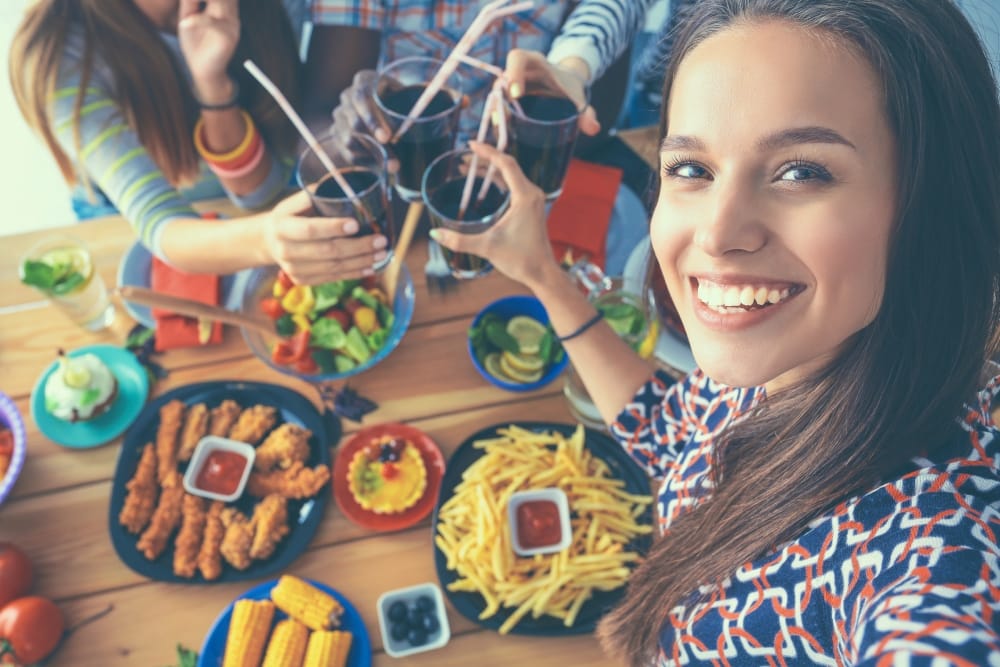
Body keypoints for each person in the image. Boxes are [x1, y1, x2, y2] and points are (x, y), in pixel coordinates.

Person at [431, 0, 1000, 664]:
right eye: (692, 170)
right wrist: (541, 273)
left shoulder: (936, 540)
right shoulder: (792, 356)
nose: (717, 234)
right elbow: (672, 431)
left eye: (802, 171)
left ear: (931, 202)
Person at [10, 0, 385, 285]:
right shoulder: (57, 57)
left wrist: (213, 85)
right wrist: (266, 240)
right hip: (127, 220)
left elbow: (260, 192)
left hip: (254, 204)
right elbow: (160, 223)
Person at [306, 0, 656, 141]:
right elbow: (322, 111)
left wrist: (572, 66)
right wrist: (355, 133)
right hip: (410, 181)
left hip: (534, 165)